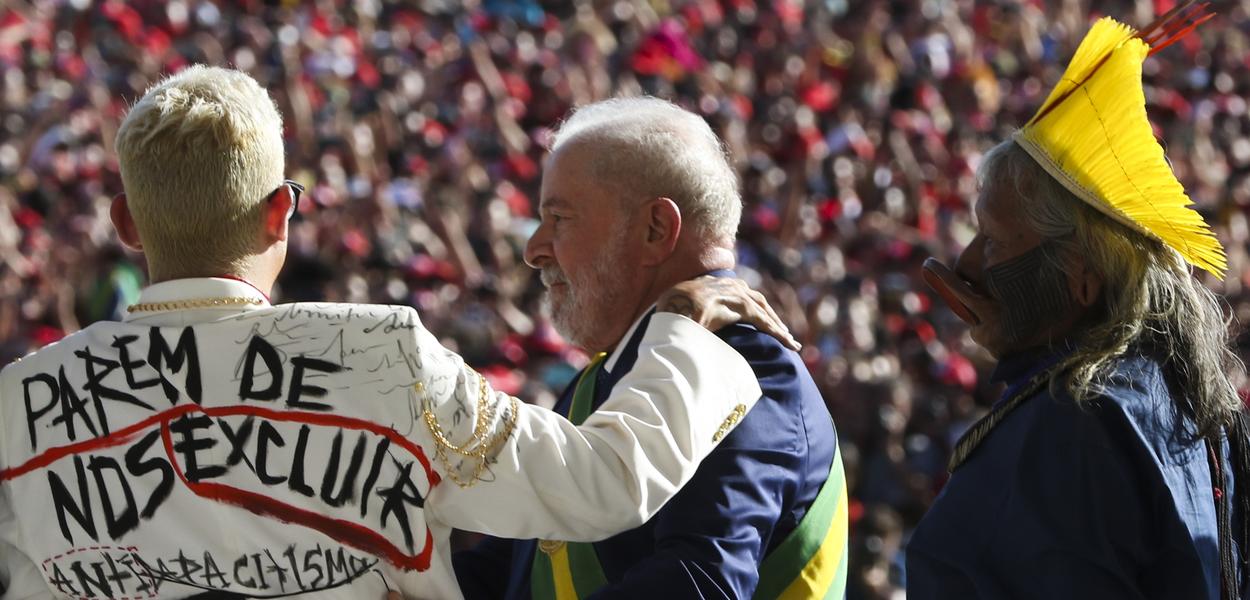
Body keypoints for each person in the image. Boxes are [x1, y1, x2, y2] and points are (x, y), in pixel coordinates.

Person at [0, 66, 794, 599]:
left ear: (125, 224)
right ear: (283, 213)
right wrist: (685, 325)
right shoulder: (385, 360)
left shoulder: (16, 408)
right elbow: (604, 486)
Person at [910, 7, 1250, 599]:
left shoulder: (1076, 421)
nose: (964, 264)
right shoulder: (1166, 395)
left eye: (992, 239)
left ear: (1081, 280)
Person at [453, 97, 846, 599]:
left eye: (560, 218)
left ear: (656, 230)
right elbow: (513, 567)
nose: (534, 249)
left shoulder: (749, 370)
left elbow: (699, 582)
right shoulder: (604, 374)